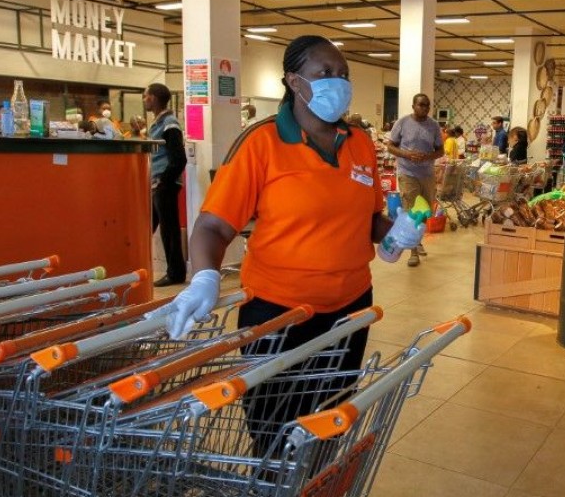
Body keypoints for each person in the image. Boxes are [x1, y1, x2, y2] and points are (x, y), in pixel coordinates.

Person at [156, 35, 423, 457]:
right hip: (277, 314)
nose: (339, 82)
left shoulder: (359, 143)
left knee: (328, 422)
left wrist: (397, 230)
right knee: (276, 433)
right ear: (294, 82)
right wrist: (205, 276)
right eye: (325, 73)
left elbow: (368, 218)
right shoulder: (261, 143)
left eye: (343, 74)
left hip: (349, 310)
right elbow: (212, 226)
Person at [387, 93, 444, 267]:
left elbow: (440, 151)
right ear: (413, 106)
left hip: (426, 174)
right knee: (411, 212)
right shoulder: (402, 123)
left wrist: (428, 156)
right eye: (421, 105)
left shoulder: (434, 126)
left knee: (425, 212)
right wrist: (407, 154)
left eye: (427, 105)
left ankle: (417, 239)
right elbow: (390, 146)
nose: (424, 108)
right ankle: (413, 252)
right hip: (407, 173)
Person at [144, 83, 188, 287]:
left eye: (146, 96)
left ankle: (176, 273)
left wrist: (165, 179)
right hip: (158, 184)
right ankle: (142, 266)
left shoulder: (169, 124)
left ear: (153, 98)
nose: (144, 100)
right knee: (150, 227)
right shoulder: (158, 123)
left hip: (165, 184)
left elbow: (179, 157)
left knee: (168, 230)